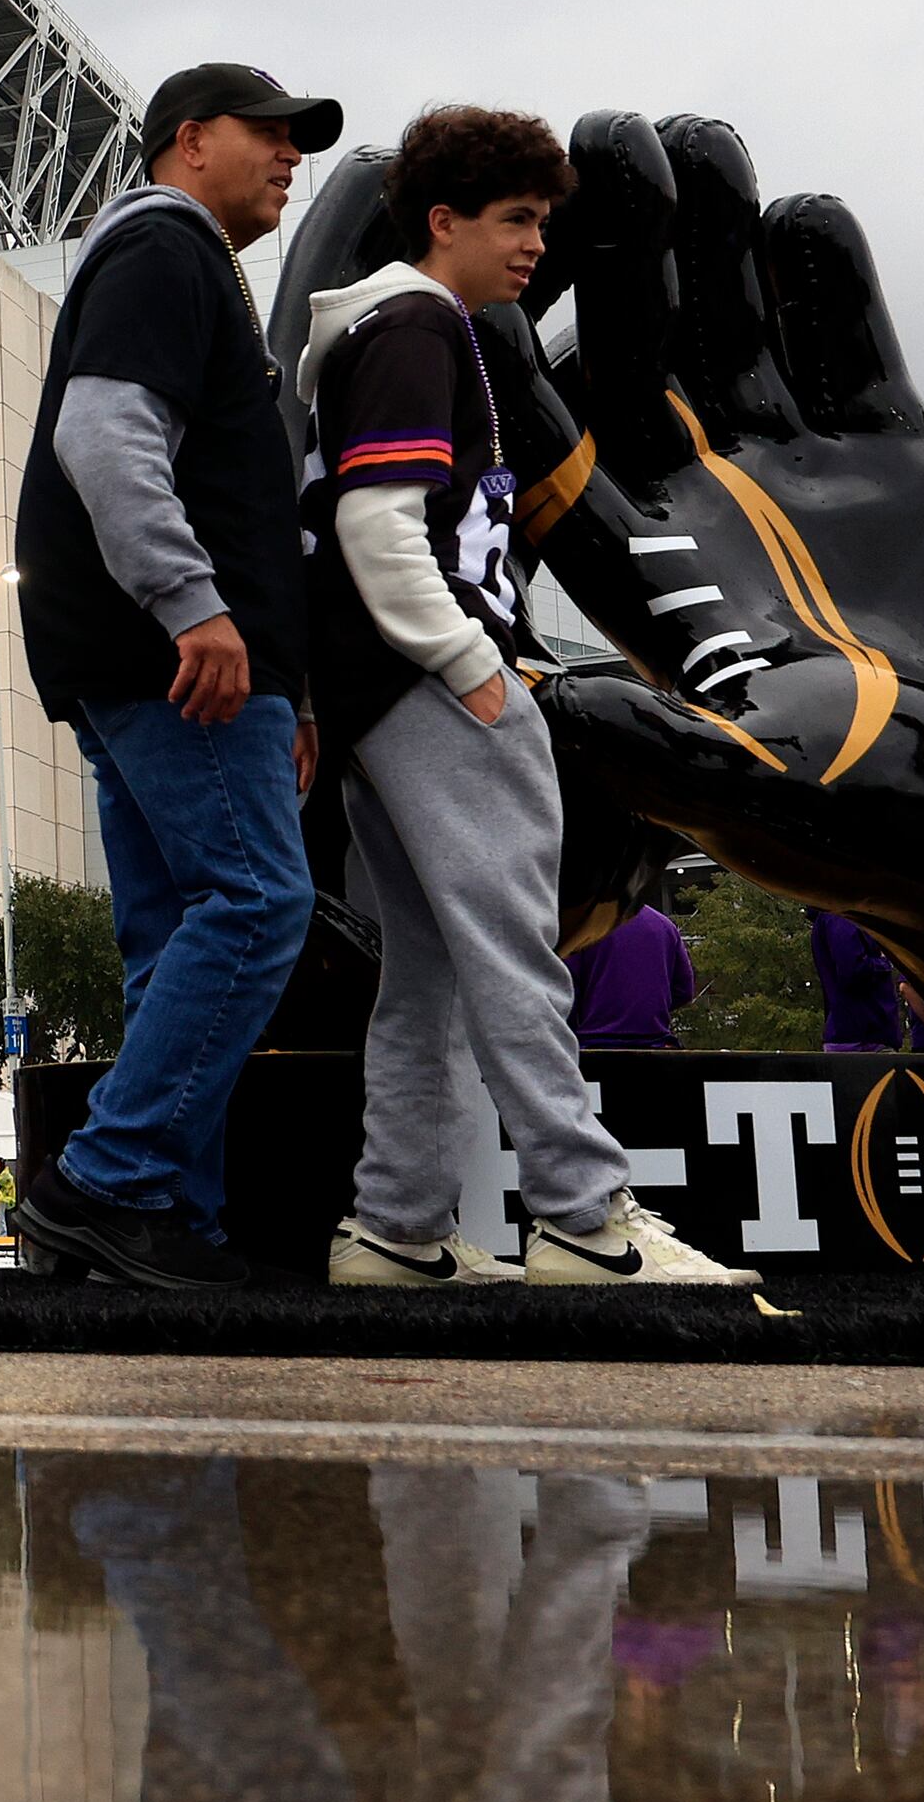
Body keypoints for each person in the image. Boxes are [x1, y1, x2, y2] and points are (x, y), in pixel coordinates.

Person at [294, 105, 747, 1290]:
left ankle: (393, 1226)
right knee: (512, 952)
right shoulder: (412, 327)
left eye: (543, 220)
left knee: (432, 972)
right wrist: (473, 667)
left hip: (377, 690)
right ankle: (585, 1217)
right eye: (513, 219)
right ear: (440, 221)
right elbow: (377, 531)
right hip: (425, 680)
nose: (536, 244)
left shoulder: (401, 328)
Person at [7, 64, 333, 1292]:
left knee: (171, 934)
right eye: (271, 133)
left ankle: (161, 1219)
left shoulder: (185, 263)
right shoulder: (165, 248)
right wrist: (192, 605)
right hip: (173, 652)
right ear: (188, 141)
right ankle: (109, 1180)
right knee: (254, 905)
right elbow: (102, 438)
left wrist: (287, 686)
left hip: (143, 653)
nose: (290, 157)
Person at [563, 904, 694, 1052]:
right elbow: (684, 991)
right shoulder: (664, 926)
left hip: (595, 1048)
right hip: (656, 1046)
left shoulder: (586, 926)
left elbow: (565, 989)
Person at [806, 908, 924, 1052]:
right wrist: (884, 961)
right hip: (862, 1040)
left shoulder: (839, 917)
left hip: (862, 1035)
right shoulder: (840, 917)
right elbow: (852, 970)